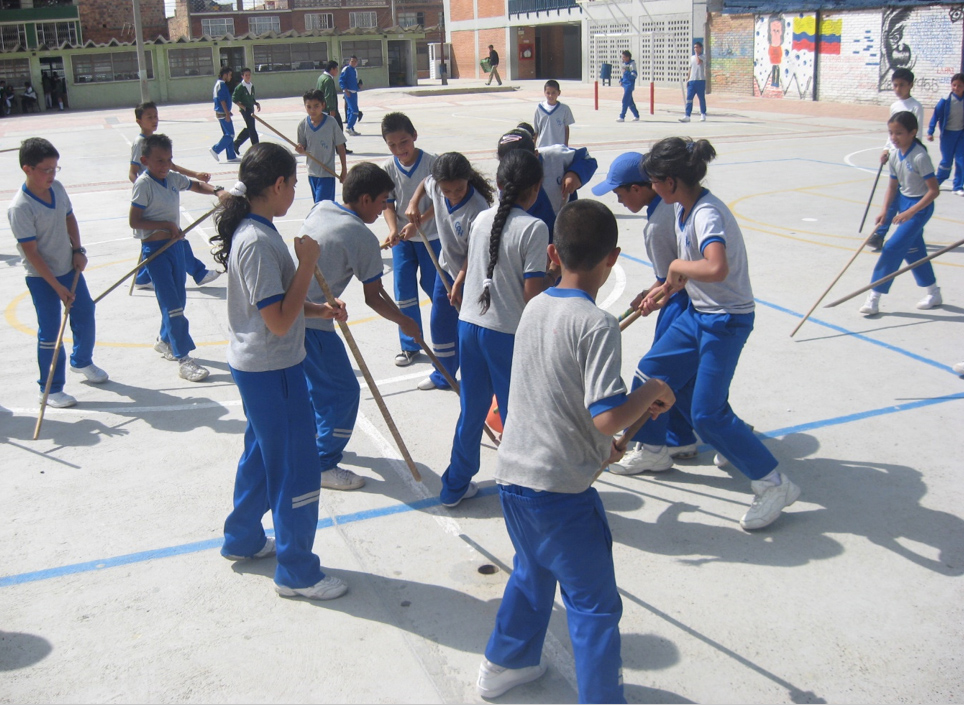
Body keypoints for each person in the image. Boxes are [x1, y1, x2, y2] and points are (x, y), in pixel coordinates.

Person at [477, 200, 675, 703]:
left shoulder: (535, 307)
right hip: (560, 495)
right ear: (613, 257)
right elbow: (607, 414)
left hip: (514, 479)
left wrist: (597, 448)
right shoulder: (597, 323)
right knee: (594, 606)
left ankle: (505, 664)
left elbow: (551, 399)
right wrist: (651, 391)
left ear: (551, 254)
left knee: (532, 574)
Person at [617, 137, 801, 531]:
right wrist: (659, 293)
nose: (651, 187)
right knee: (651, 372)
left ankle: (773, 484)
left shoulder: (706, 215)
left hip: (726, 320)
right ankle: (653, 449)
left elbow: (716, 268)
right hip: (698, 313)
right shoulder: (683, 210)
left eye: (653, 180)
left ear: (668, 181)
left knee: (707, 413)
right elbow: (684, 278)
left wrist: (679, 267)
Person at [210, 143, 350, 602]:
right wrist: (309, 264)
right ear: (278, 185)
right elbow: (276, 320)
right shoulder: (255, 241)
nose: (295, 190)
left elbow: (274, 305)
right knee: (295, 468)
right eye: (293, 182)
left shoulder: (258, 231)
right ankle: (296, 570)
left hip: (259, 366)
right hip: (273, 369)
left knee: (260, 455)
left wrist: (318, 309)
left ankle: (243, 536)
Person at [298, 162, 423, 490]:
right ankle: (323, 463)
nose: (384, 208)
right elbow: (374, 297)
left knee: (318, 388)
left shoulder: (322, 207)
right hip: (311, 323)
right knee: (342, 392)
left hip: (291, 308)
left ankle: (312, 441)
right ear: (365, 199)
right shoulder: (361, 236)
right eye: (382, 201)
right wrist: (405, 321)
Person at [441, 150, 554, 508]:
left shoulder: (481, 219)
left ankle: (454, 484)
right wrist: (556, 274)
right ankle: (520, 489)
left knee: (471, 411)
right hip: (505, 332)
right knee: (515, 415)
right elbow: (532, 295)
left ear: (500, 184)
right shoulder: (534, 228)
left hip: (470, 326)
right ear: (536, 189)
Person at [592, 152, 697, 467]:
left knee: (654, 372)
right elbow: (667, 276)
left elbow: (673, 280)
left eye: (620, 193)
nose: (619, 201)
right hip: (685, 297)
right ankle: (682, 437)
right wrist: (647, 293)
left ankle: (651, 450)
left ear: (638, 188)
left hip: (685, 303)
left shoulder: (657, 224)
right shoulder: (670, 208)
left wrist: (658, 296)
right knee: (682, 375)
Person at [8, 138, 108, 408]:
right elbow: (32, 253)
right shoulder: (20, 207)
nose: (52, 175)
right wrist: (57, 287)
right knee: (52, 331)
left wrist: (78, 249)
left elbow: (69, 218)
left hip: (68, 267)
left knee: (85, 314)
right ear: (27, 169)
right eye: (46, 170)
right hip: (42, 278)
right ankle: (50, 389)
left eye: (55, 169)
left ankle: (82, 361)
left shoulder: (58, 188)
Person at [129, 134, 228, 382]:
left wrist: (217, 191)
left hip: (175, 246)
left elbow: (195, 185)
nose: (165, 165)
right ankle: (184, 358)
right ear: (145, 160)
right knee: (172, 305)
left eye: (169, 160)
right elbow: (135, 221)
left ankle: (164, 340)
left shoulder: (172, 178)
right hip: (156, 251)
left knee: (179, 300)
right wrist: (165, 225)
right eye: (159, 161)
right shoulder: (143, 184)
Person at [405, 152, 495, 390]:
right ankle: (443, 375)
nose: (453, 195)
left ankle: (478, 376)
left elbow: (475, 253)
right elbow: (425, 184)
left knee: (469, 328)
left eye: (459, 189)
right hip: (445, 268)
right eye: (447, 191)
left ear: (468, 180)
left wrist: (460, 282)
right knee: (440, 321)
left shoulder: (478, 209)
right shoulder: (436, 184)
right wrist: (414, 204)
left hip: (472, 273)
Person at [129, 101, 219, 291]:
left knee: (165, 245)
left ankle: (144, 277)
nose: (154, 120)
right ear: (139, 121)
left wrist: (195, 175)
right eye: (149, 117)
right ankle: (199, 273)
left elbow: (171, 167)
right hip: (150, 200)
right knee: (174, 240)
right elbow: (133, 171)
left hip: (161, 195)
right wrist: (144, 190)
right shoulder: (141, 143)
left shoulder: (157, 143)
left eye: (156, 116)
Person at [860, 112, 942, 316]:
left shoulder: (920, 157)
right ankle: (933, 292)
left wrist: (910, 212)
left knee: (892, 248)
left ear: (913, 133)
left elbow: (933, 191)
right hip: (905, 202)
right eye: (891, 133)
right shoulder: (895, 155)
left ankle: (875, 296)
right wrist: (884, 211)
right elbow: (892, 187)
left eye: (899, 133)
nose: (894, 137)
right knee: (914, 251)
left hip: (920, 206)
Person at [381, 112, 440, 367]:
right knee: (404, 292)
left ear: (414, 136)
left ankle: (445, 339)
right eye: (392, 145)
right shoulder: (388, 168)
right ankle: (411, 345)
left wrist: (420, 223)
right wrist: (394, 228)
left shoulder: (433, 164)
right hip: (404, 241)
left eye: (403, 142)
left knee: (437, 290)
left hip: (432, 237)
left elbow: (443, 201)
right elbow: (387, 203)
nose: (399, 149)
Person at [497, 127, 597, 235]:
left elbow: (586, 159)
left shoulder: (555, 156)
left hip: (564, 226)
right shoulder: (504, 179)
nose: (515, 165)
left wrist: (575, 174)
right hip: (530, 233)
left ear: (536, 154)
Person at [868, 68, 927, 251]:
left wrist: (911, 153)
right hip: (895, 157)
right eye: (895, 85)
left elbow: (916, 133)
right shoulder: (894, 106)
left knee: (908, 196)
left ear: (910, 85)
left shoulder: (915, 107)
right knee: (894, 194)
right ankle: (881, 234)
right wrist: (887, 149)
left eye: (902, 85)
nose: (898, 88)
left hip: (908, 156)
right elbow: (892, 132)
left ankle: (910, 232)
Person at [295, 90, 347, 203]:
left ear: (323, 105)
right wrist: (300, 149)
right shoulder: (303, 125)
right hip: (312, 172)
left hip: (327, 173)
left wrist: (344, 169)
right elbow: (302, 147)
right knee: (318, 205)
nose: (312, 110)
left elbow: (340, 147)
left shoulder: (331, 123)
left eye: (316, 106)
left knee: (323, 205)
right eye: (308, 107)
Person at [926, 72, 964, 197]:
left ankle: (958, 186)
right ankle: (936, 183)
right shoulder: (946, 100)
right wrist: (930, 131)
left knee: (961, 160)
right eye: (954, 85)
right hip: (948, 135)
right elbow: (936, 115)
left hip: (961, 135)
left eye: (959, 86)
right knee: (947, 161)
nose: (956, 88)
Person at [316, 60, 352, 154]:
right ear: (332, 69)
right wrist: (332, 109)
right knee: (338, 128)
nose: (337, 71)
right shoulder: (328, 80)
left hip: (322, 109)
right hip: (330, 109)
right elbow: (329, 96)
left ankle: (336, 147)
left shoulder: (321, 77)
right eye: (336, 69)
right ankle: (341, 148)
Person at [209, 67, 239, 164]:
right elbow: (222, 100)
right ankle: (215, 149)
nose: (231, 77)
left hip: (223, 112)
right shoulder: (221, 85)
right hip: (222, 113)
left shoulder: (220, 84)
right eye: (229, 75)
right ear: (225, 75)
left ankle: (231, 156)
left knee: (228, 134)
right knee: (230, 134)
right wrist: (227, 113)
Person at [533, 79, 574, 148]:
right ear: (544, 93)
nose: (550, 96)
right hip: (543, 146)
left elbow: (566, 127)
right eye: (548, 93)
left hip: (559, 146)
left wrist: (566, 144)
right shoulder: (539, 108)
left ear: (559, 93)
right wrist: (533, 144)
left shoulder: (564, 109)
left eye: (553, 93)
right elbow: (536, 129)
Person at [232, 67, 260, 155]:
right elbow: (234, 98)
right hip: (245, 110)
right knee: (252, 129)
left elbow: (251, 97)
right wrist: (242, 106)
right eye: (246, 75)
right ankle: (257, 148)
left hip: (251, 108)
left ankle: (236, 144)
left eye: (249, 75)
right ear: (242, 76)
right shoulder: (240, 87)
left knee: (250, 129)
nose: (248, 77)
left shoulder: (251, 85)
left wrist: (256, 103)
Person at [680, 41, 707, 123]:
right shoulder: (692, 58)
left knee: (701, 98)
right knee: (689, 99)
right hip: (692, 81)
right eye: (694, 47)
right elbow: (690, 69)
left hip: (700, 80)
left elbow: (699, 62)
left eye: (697, 47)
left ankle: (703, 114)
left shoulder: (703, 56)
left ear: (701, 48)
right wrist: (688, 79)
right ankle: (687, 115)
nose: (695, 49)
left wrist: (697, 55)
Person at [339, 56, 361, 137]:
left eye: (355, 61)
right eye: (352, 61)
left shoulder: (355, 70)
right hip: (349, 92)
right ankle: (348, 127)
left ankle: (351, 128)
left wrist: (358, 86)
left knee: (350, 111)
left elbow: (354, 81)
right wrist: (345, 90)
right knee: (355, 111)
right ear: (349, 61)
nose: (353, 63)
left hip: (354, 92)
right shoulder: (346, 69)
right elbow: (341, 80)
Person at [617, 51, 639, 122]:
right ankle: (636, 115)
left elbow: (634, 75)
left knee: (625, 100)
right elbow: (624, 76)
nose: (622, 58)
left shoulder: (632, 64)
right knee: (630, 102)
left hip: (629, 85)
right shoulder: (624, 64)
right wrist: (621, 80)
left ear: (627, 57)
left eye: (623, 57)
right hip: (625, 84)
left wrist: (626, 72)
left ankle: (622, 116)